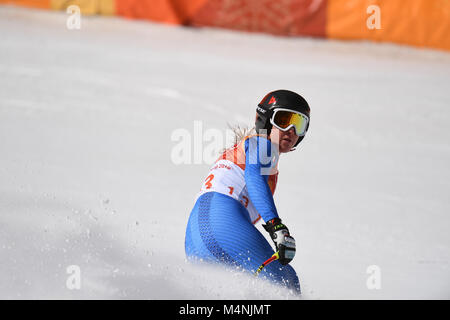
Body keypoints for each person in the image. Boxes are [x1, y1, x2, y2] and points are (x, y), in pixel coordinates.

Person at [185, 90, 311, 293]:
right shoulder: (263, 143)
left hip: (195, 237)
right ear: (267, 120)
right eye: (284, 119)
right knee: (286, 283)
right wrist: (276, 225)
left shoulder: (246, 149)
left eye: (300, 123)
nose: (291, 130)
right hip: (223, 222)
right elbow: (253, 178)